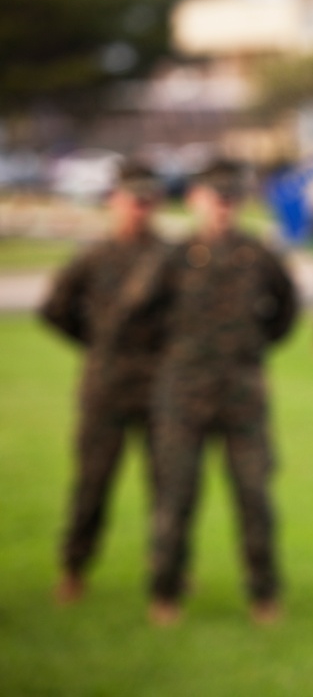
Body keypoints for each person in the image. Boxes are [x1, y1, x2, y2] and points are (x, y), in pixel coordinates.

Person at [144, 159, 298, 625]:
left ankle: (264, 594)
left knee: (255, 497)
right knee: (175, 497)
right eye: (215, 198)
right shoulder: (173, 256)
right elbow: (140, 313)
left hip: (241, 395)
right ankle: (165, 593)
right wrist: (171, 360)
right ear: (195, 200)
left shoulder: (257, 254)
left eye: (231, 199)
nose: (223, 208)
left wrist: (253, 351)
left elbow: (286, 310)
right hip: (182, 395)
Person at [39, 160, 168, 604]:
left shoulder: (169, 257)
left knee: (167, 487)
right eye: (132, 200)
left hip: (158, 388)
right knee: (93, 484)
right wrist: (93, 344)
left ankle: (166, 569)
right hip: (106, 389)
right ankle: (74, 568)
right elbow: (55, 309)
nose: (139, 209)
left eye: (147, 201)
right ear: (115, 202)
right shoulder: (93, 257)